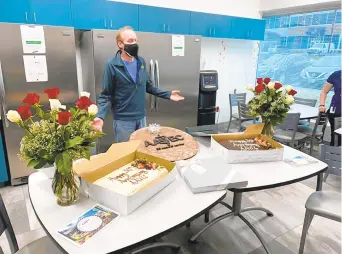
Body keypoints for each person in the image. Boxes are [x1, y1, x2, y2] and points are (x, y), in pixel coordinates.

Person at [92, 26, 184, 142]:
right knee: (126, 153)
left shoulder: (141, 61)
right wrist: (100, 117)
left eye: (135, 40)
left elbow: (148, 86)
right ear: (120, 44)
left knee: (141, 151)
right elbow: (106, 95)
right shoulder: (112, 65)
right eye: (130, 41)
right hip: (123, 121)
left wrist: (168, 94)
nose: (134, 44)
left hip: (141, 118)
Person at [319, 70, 341, 146]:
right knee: (336, 138)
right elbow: (324, 92)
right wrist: (322, 105)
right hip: (335, 111)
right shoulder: (336, 75)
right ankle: (333, 155)